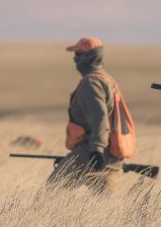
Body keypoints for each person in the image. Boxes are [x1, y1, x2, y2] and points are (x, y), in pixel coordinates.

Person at [47, 36, 135, 193]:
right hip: (110, 155)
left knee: (51, 193)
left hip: (90, 152)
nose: (75, 60)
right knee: (106, 207)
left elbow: (99, 117)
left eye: (78, 55)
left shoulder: (91, 83)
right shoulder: (107, 79)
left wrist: (96, 150)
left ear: (90, 57)